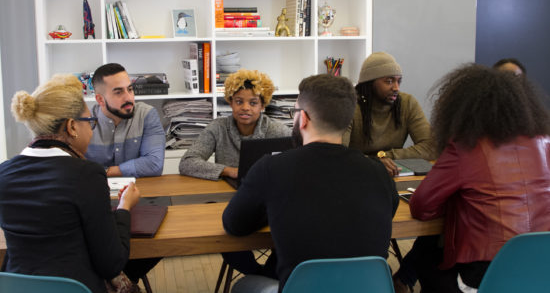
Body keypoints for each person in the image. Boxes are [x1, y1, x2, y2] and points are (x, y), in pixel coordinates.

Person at [222, 74, 399, 293]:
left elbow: (234, 225)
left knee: (244, 285)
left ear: (303, 118)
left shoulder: (270, 168)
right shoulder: (378, 171)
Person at [399, 64, 550, 293]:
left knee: (426, 260)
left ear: (462, 108)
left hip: (484, 274)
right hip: (541, 268)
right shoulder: (544, 142)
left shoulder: (465, 147)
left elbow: (421, 206)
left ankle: (400, 281)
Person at [0, 74, 141, 293]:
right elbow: (112, 262)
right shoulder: (86, 175)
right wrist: (124, 207)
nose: (91, 130)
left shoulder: (3, 173)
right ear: (72, 127)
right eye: (90, 122)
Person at [179, 68, 291, 181]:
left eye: (253, 103)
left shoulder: (279, 131)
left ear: (262, 106)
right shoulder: (218, 128)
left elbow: (298, 163)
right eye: (239, 102)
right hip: (227, 191)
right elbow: (187, 162)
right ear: (230, 102)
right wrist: (229, 171)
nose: (245, 108)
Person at [343, 51, 436, 176]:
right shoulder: (349, 105)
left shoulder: (407, 103)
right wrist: (374, 162)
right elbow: (339, 154)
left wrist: (386, 156)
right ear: (370, 83)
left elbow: (430, 147)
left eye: (398, 81)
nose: (396, 88)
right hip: (357, 175)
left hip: (394, 174)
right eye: (389, 81)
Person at [86, 63, 165, 178]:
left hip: (139, 192)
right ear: (100, 99)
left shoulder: (146, 115)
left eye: (130, 89)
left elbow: (154, 164)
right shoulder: (85, 122)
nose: (128, 98)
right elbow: (73, 167)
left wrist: (105, 172)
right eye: (118, 92)